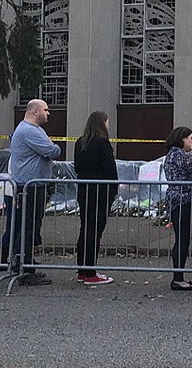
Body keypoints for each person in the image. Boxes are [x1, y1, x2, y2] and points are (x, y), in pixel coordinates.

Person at [7, 100, 60, 285]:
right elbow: (53, 151)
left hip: (33, 185)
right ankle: (24, 268)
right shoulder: (29, 131)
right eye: (46, 110)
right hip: (29, 186)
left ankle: (25, 263)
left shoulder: (33, 130)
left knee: (31, 225)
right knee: (27, 226)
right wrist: (51, 145)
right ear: (35, 111)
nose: (48, 113)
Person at [73, 111, 117, 285]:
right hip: (100, 192)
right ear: (102, 123)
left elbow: (77, 167)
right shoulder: (102, 143)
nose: (108, 125)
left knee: (85, 228)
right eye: (107, 122)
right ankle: (91, 272)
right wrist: (113, 190)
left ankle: (82, 269)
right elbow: (110, 170)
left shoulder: (80, 142)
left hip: (84, 190)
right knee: (95, 231)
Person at [163, 127, 192, 291]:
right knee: (183, 238)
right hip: (184, 200)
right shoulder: (181, 156)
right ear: (182, 139)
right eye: (190, 139)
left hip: (176, 200)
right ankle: (178, 278)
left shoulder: (171, 155)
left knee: (182, 237)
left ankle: (179, 276)